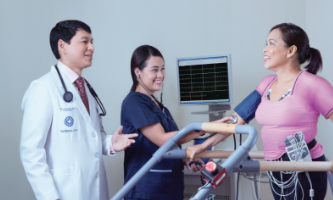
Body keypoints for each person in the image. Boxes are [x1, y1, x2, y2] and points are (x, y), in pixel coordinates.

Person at [187, 23, 333, 200]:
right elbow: (236, 121)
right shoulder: (266, 84)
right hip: (275, 169)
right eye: (266, 43)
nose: (265, 49)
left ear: (291, 51)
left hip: (306, 168)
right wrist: (204, 145)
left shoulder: (313, 84)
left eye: (271, 43)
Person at [20, 20, 138, 200]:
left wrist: (110, 144)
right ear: (62, 45)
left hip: (94, 190)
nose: (91, 47)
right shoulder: (43, 88)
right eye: (85, 41)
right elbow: (31, 151)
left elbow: (91, 138)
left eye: (92, 42)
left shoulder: (85, 89)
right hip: (64, 193)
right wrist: (50, 197)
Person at [120, 45, 231, 200]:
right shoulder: (134, 102)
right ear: (137, 71)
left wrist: (184, 159)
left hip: (169, 187)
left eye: (162, 69)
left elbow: (170, 145)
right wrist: (203, 129)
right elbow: (162, 139)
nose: (161, 75)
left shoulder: (159, 107)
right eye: (154, 69)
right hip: (147, 188)